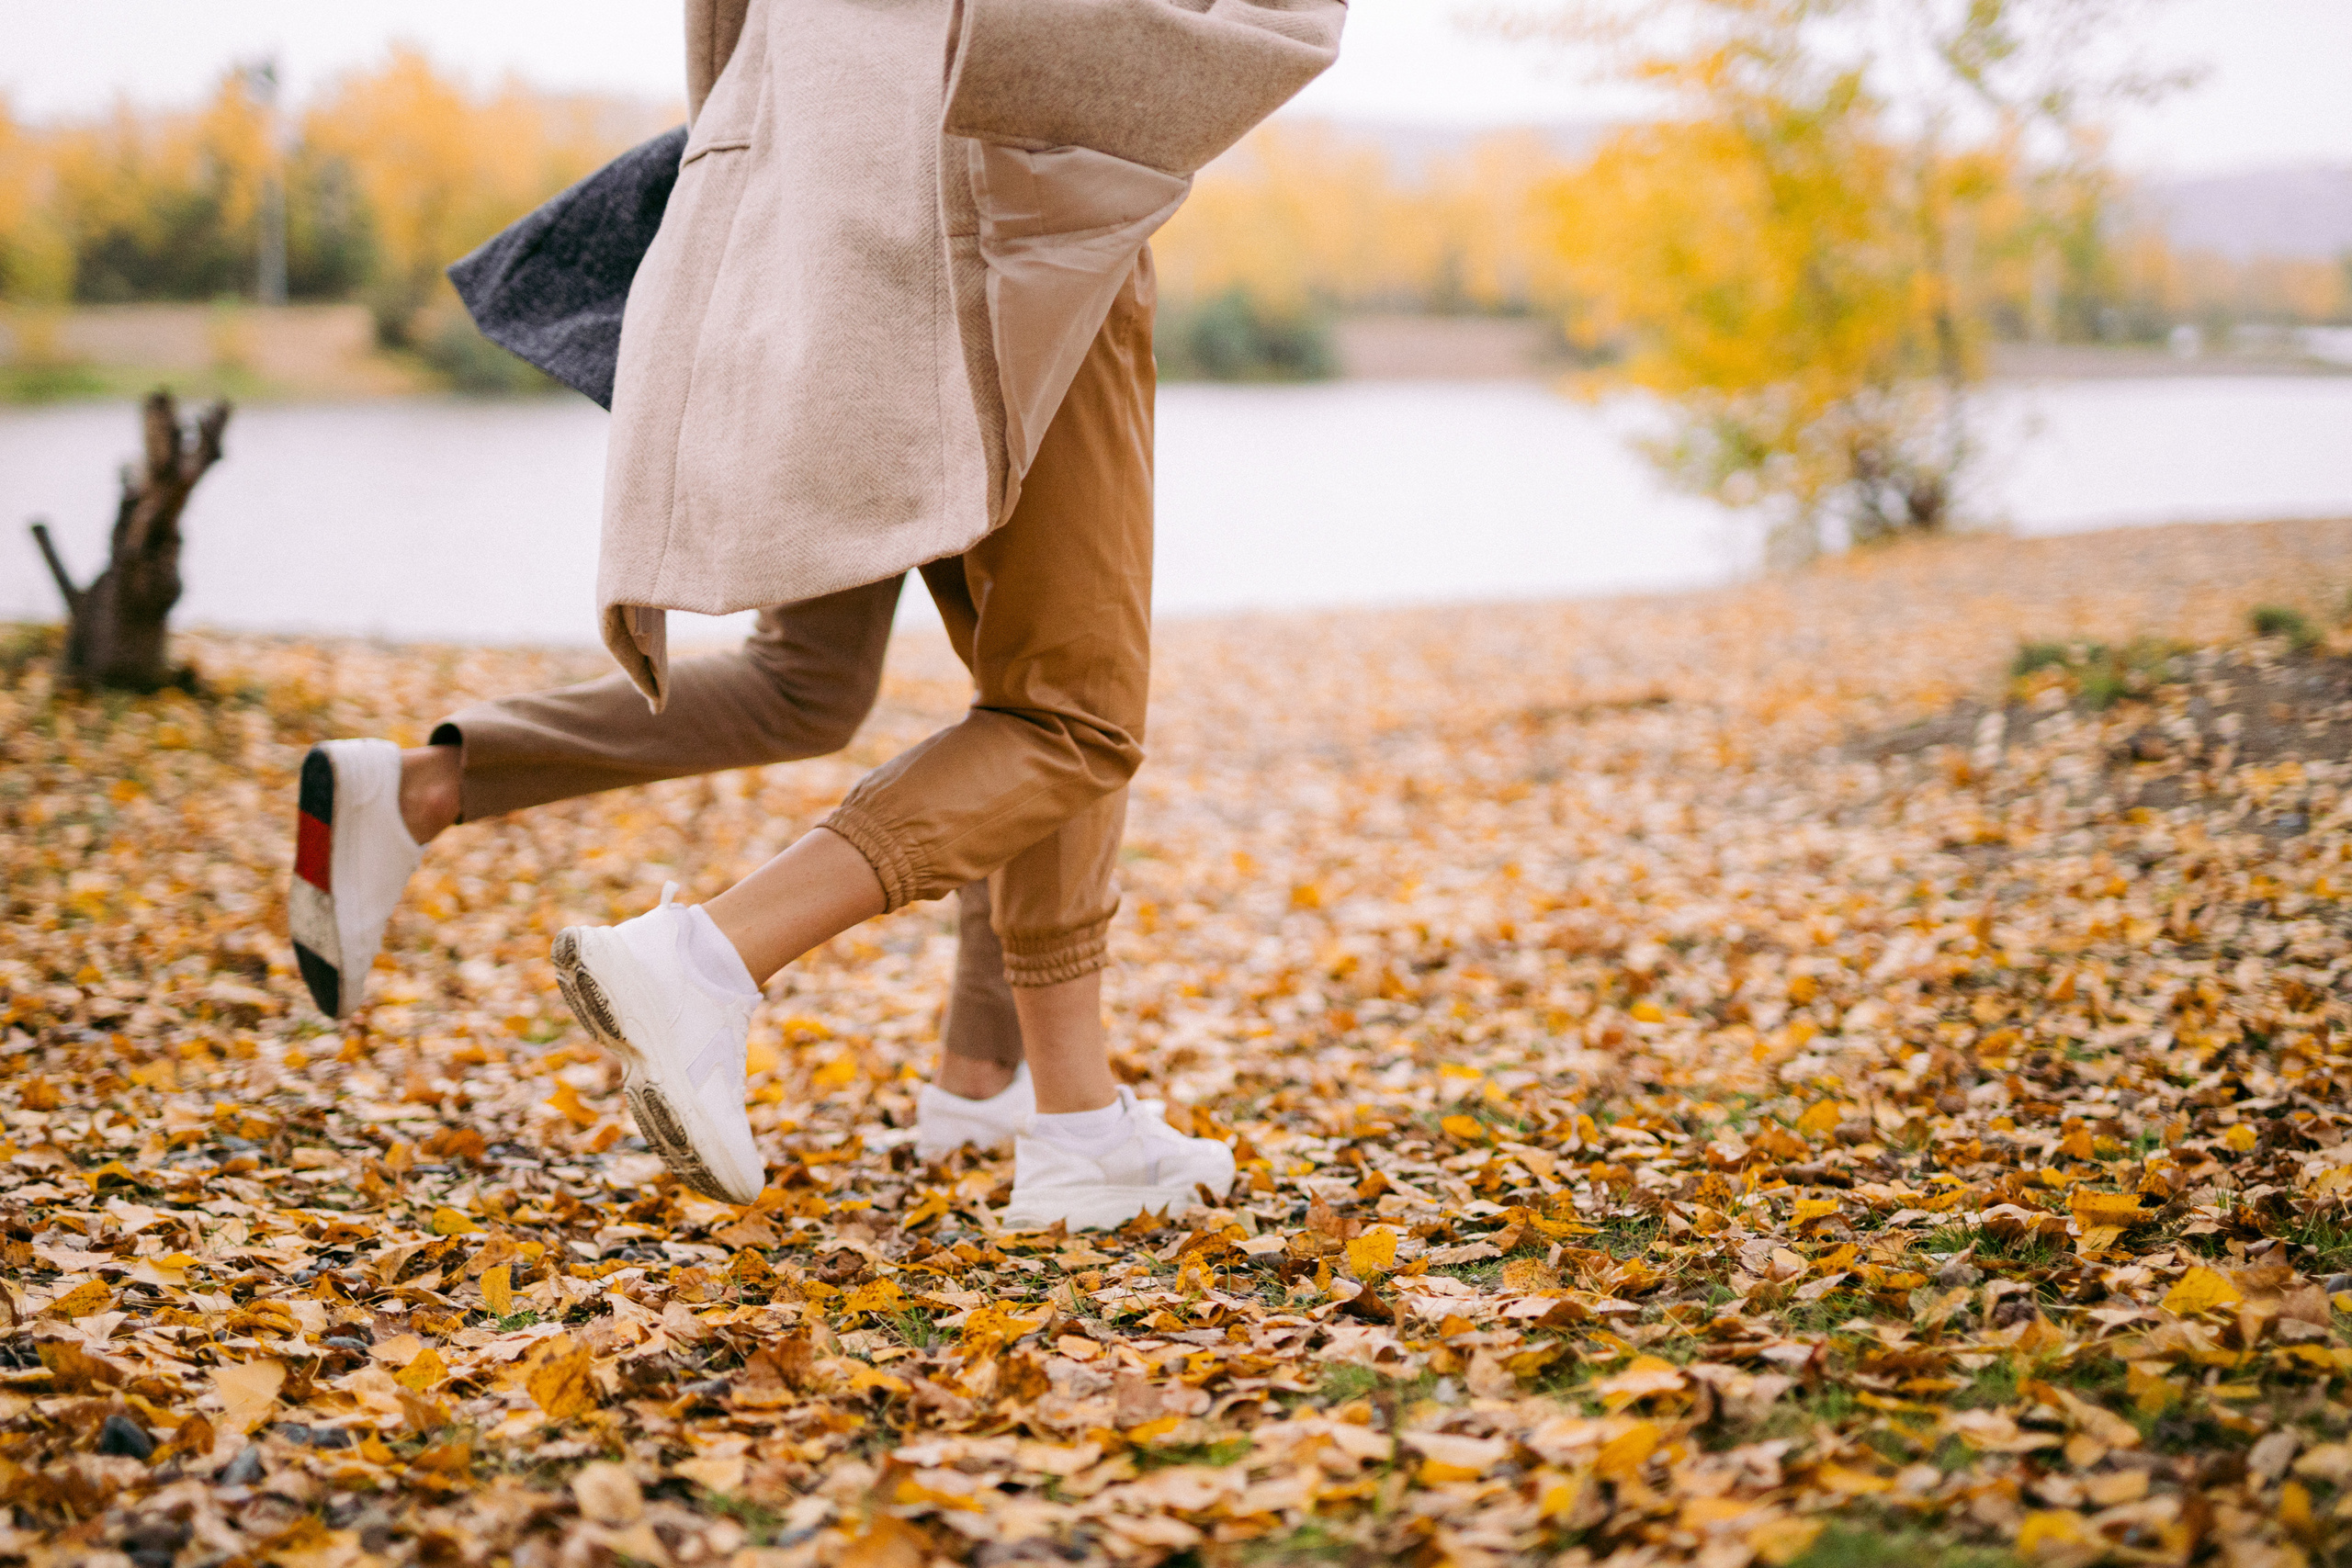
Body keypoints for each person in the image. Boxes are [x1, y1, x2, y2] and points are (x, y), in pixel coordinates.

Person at [289, 0, 1344, 1229]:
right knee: (1070, 716)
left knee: (825, 685)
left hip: (833, 229)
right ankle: (720, 966)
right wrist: (1050, 123)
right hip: (1017, 225)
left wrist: (797, 143)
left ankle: (1000, 1086)